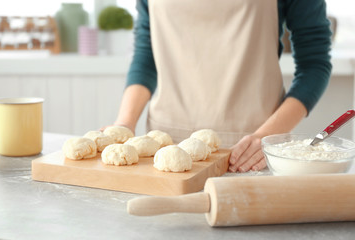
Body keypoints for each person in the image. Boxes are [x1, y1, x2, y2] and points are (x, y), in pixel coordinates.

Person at [106, 0, 332, 173]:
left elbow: (314, 64)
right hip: (163, 148)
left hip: (252, 154)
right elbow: (147, 53)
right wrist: (124, 124)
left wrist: (267, 136)